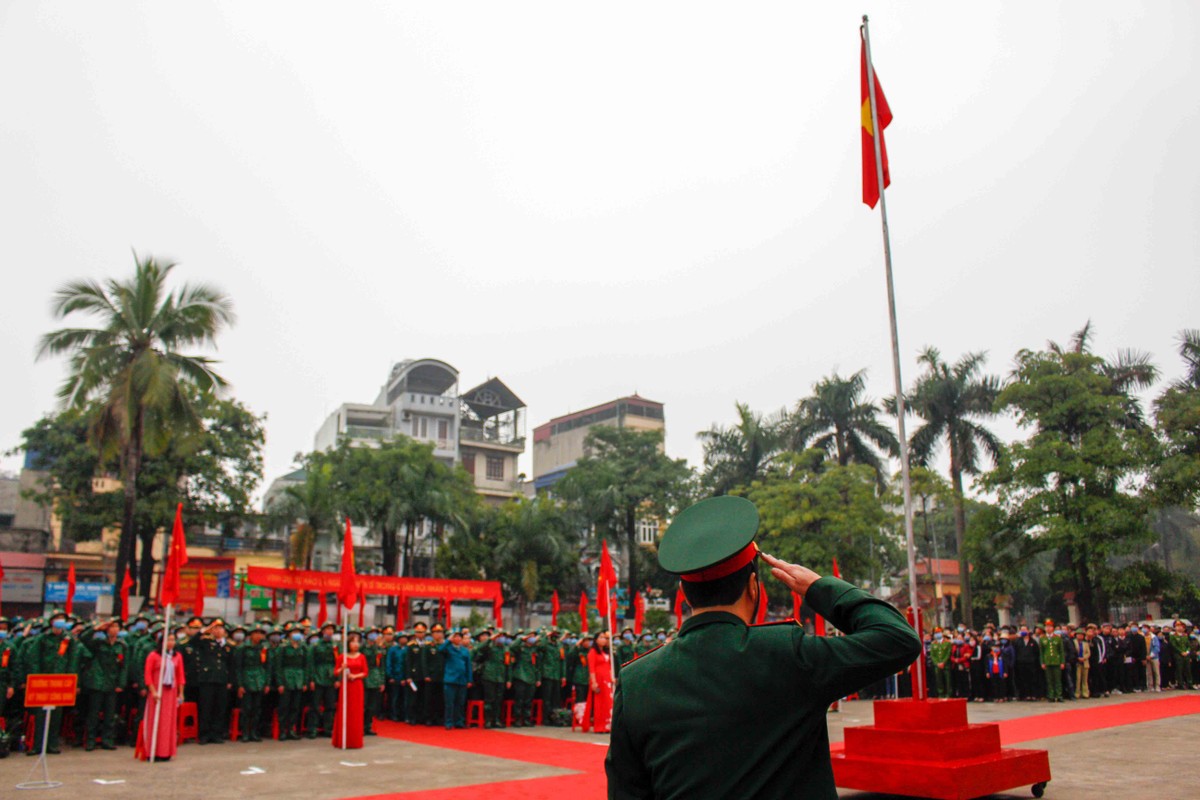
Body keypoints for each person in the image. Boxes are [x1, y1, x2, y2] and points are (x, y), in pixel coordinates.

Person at [605, 496, 920, 799]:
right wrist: (819, 588)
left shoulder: (637, 681)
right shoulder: (788, 655)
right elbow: (898, 638)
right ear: (753, 587)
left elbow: (628, 791)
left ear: (685, 595)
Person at [80, 619, 126, 751]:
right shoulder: (98, 643)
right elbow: (83, 639)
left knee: (110, 715)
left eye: (117, 626)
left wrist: (121, 683)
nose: (114, 629)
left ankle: (108, 740)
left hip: (112, 683)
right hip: (98, 682)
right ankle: (90, 741)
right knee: (93, 714)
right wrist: (96, 629)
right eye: (111, 627)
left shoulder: (121, 645)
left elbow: (124, 666)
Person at [142, 632, 184, 762]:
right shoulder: (153, 656)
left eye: (173, 640)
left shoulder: (177, 657)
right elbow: (148, 675)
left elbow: (180, 675)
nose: (171, 643)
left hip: (171, 692)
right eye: (168, 640)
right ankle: (152, 751)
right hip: (157, 692)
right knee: (155, 721)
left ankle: (166, 751)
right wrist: (153, 691)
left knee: (168, 722)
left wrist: (181, 693)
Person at [333, 633, 367, 749]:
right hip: (346, 686)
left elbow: (365, 672)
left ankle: (355, 740)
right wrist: (342, 668)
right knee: (345, 711)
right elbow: (336, 672)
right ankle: (343, 739)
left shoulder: (361, 656)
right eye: (353, 642)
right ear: (348, 644)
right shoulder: (342, 657)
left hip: (357, 685)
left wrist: (355, 676)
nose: (356, 644)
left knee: (356, 712)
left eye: (357, 642)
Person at [440, 630, 473, 729]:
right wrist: (448, 641)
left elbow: (468, 666)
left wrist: (469, 680)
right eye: (455, 637)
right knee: (449, 703)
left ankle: (459, 721)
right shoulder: (448, 649)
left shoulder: (464, 650)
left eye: (459, 637)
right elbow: (440, 650)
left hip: (462, 680)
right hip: (450, 679)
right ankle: (449, 722)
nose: (458, 639)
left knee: (460, 703)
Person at [586, 631, 614, 733]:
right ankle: (599, 726)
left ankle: (608, 725)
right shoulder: (592, 652)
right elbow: (591, 668)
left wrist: (612, 677)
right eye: (601, 637)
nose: (604, 640)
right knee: (599, 704)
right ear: (596, 640)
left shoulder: (606, 652)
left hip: (607, 680)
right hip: (599, 680)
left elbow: (609, 666)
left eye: (605, 638)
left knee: (608, 703)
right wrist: (594, 682)